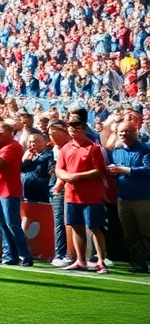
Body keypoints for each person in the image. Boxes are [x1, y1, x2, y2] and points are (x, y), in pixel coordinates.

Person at [56, 111, 110, 274]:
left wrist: (76, 176)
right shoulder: (66, 148)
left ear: (84, 128)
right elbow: (59, 169)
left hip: (91, 195)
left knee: (94, 227)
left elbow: (100, 170)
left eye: (78, 127)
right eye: (71, 127)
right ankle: (81, 260)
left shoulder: (93, 148)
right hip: (72, 194)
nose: (74, 130)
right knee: (76, 227)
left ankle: (101, 261)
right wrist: (65, 176)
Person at [0, 121, 33, 266]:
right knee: (1, 224)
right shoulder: (1, 147)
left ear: (9, 133)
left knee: (12, 224)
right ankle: (9, 255)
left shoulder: (13, 147)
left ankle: (25, 256)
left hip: (8, 190)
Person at [108, 119, 150, 273]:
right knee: (130, 234)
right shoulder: (117, 151)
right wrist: (113, 171)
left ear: (135, 132)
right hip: (123, 198)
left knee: (147, 232)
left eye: (127, 131)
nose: (124, 134)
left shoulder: (145, 150)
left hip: (143, 198)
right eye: (121, 132)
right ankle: (138, 262)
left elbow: (148, 169)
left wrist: (127, 170)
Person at [47, 121, 72, 266]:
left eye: (53, 134)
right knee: (59, 221)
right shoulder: (56, 148)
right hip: (57, 187)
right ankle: (61, 253)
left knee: (68, 222)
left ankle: (69, 254)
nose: (51, 137)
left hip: (67, 187)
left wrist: (60, 182)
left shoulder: (69, 147)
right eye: (50, 135)